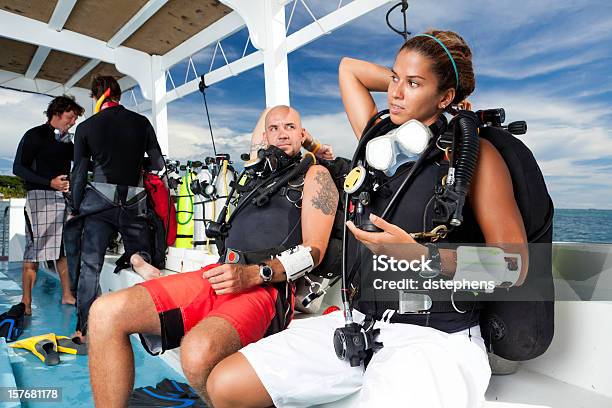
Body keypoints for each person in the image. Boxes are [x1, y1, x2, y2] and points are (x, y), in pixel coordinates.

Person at [207, 30, 530, 408]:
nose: (395, 93)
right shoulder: (380, 144)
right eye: (394, 78)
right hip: (363, 325)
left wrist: (423, 257)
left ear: (444, 97)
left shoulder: (475, 158)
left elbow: (515, 266)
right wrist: (413, 78)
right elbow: (350, 70)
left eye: (413, 84)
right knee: (226, 385)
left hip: (436, 338)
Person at [86, 105, 339, 407]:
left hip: (265, 287)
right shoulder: (256, 172)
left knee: (196, 353)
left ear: (302, 133)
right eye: (274, 129)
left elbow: (314, 251)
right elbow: (263, 126)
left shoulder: (316, 175)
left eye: (289, 127)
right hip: (220, 273)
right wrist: (282, 129)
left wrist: (256, 273)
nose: (281, 133)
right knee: (104, 313)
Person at [66, 76, 165, 341]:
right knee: (139, 250)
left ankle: (83, 329)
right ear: (118, 95)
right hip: (134, 198)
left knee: (90, 266)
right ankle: (137, 258)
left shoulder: (86, 127)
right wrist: (135, 160)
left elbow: (78, 174)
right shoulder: (141, 122)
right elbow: (157, 162)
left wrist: (76, 206)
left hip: (99, 199)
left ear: (95, 96)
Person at [13, 95, 84, 315]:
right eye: (70, 117)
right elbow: (18, 168)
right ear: (57, 113)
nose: (73, 122)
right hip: (39, 198)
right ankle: (26, 302)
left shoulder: (66, 142)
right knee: (34, 252)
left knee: (61, 249)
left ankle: (67, 295)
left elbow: (84, 162)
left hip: (61, 199)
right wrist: (49, 182)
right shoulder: (35, 135)